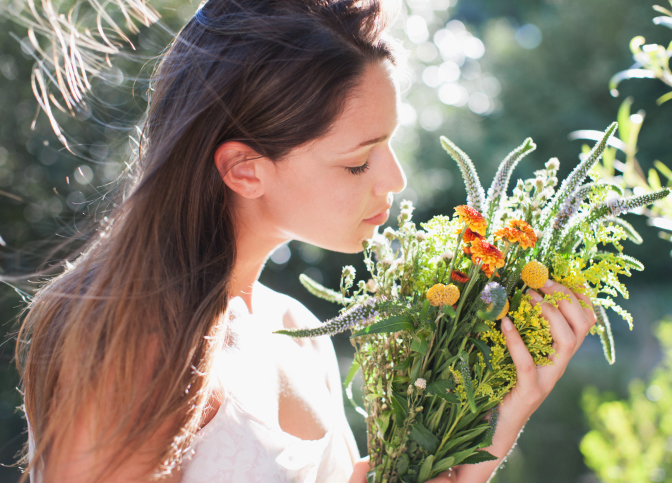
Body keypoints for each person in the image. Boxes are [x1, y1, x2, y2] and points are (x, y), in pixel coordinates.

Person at [12, 0, 597, 481]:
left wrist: (491, 432)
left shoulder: (297, 331)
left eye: (388, 145)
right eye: (357, 162)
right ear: (244, 169)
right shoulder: (129, 342)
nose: (395, 180)